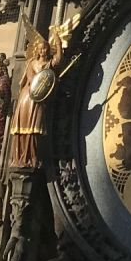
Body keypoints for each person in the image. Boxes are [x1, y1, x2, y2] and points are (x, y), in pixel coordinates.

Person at [9, 12, 80, 171]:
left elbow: (59, 59)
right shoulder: (31, 62)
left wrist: (58, 40)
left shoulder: (50, 63)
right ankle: (19, 157)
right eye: (40, 48)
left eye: (45, 48)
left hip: (39, 98)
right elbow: (29, 79)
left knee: (35, 127)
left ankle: (32, 157)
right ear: (37, 50)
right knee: (21, 126)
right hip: (27, 96)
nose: (42, 51)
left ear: (48, 50)